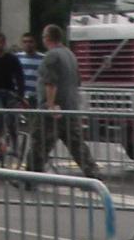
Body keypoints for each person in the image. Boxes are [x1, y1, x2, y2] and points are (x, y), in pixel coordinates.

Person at [26, 23, 102, 181]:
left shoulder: (51, 56)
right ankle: (94, 175)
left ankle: (29, 179)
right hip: (70, 108)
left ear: (47, 38)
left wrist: (50, 105)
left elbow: (50, 83)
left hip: (53, 110)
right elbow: (77, 81)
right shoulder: (70, 55)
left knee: (38, 145)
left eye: (43, 37)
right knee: (77, 146)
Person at [15, 32, 43, 105]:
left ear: (35, 43)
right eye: (25, 42)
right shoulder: (16, 58)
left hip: (36, 97)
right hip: (20, 97)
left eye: (30, 42)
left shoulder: (43, 59)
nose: (28, 44)